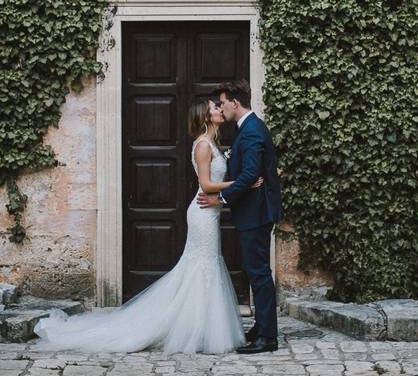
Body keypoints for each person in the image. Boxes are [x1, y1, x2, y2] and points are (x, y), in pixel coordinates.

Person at [32, 98, 262, 354]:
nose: (220, 109)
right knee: (202, 266)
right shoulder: (203, 146)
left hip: (211, 212)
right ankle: (192, 329)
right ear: (205, 116)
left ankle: (199, 327)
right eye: (214, 107)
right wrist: (242, 182)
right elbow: (206, 185)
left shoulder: (213, 143)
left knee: (205, 265)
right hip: (202, 214)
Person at [196, 79, 282, 354]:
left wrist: (219, 198)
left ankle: (267, 338)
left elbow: (250, 174)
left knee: (259, 273)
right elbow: (246, 174)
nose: (221, 108)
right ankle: (262, 327)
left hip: (256, 212)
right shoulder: (247, 129)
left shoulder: (253, 130)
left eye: (222, 103)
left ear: (235, 102)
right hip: (251, 210)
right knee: (256, 271)